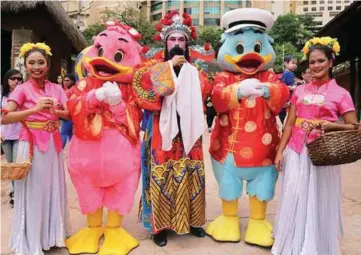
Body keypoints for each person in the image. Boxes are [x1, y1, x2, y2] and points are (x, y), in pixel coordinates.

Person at [206, 8, 289, 247]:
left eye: (257, 48)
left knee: (262, 186)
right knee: (228, 184)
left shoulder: (270, 77)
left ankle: (258, 221)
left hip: (263, 151)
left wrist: (267, 90)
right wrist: (237, 92)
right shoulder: (224, 77)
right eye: (240, 48)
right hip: (227, 150)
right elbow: (218, 99)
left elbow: (281, 97)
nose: (249, 55)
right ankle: (229, 218)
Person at [272, 37, 358, 255]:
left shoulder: (341, 94)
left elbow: (354, 127)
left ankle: (315, 246)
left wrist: (328, 125)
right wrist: (280, 152)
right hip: (295, 151)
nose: (316, 66)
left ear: (331, 62)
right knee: (294, 195)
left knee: (317, 199)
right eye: (312, 62)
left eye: (321, 61)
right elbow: (290, 123)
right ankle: (291, 244)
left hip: (322, 154)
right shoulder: (299, 91)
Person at [65, 21, 144, 255]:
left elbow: (136, 119)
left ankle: (114, 228)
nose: (104, 60)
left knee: (121, 188)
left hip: (122, 158)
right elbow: (72, 105)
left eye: (119, 55)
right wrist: (93, 97)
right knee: (87, 189)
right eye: (99, 51)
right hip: (85, 156)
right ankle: (93, 228)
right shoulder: (84, 83)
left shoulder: (132, 89)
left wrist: (118, 104)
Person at [134, 11, 211, 247]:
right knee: (162, 174)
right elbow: (142, 95)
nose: (177, 44)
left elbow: (204, 94)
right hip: (161, 131)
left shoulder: (197, 72)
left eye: (181, 40)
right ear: (165, 43)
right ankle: (160, 226)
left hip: (188, 134)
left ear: (187, 44)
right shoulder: (152, 68)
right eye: (172, 39)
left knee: (191, 173)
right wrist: (168, 71)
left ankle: (193, 220)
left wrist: (185, 74)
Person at [2, 42, 69, 255]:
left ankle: (51, 236)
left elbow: (69, 115)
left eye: (41, 62)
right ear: (25, 65)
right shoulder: (21, 89)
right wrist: (34, 109)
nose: (36, 66)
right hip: (29, 144)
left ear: (48, 65)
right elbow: (5, 118)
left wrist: (55, 111)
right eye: (31, 63)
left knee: (53, 187)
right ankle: (31, 240)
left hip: (53, 143)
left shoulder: (57, 89)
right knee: (33, 190)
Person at [1, 69, 23, 206]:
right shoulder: (1, 95)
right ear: (7, 79)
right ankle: (15, 190)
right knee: (10, 167)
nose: (16, 81)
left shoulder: (24, 94)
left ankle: (18, 195)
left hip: (20, 135)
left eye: (19, 79)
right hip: (4, 135)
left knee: (17, 166)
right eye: (13, 78)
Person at [279, 55, 298, 124]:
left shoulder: (289, 73)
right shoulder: (288, 73)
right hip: (287, 98)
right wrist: (293, 88)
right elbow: (283, 85)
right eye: (293, 63)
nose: (295, 65)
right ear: (285, 64)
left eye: (296, 64)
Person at [60, 73, 76, 148]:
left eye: (67, 80)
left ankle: (60, 150)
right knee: (69, 133)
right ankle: (73, 151)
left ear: (72, 81)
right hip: (69, 114)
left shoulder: (72, 90)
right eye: (64, 80)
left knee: (63, 133)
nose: (65, 82)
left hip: (69, 114)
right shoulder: (69, 89)